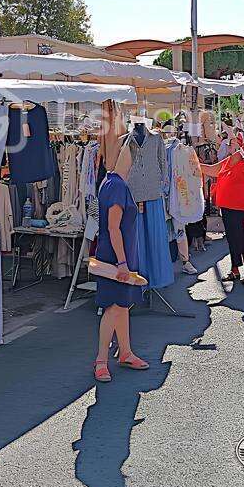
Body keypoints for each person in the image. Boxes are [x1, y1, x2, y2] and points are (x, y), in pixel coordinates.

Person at [93, 142, 148, 383]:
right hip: (117, 257)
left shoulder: (111, 181)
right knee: (114, 307)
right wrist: (123, 262)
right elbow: (113, 228)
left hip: (119, 255)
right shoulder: (116, 185)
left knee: (122, 306)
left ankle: (125, 352)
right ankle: (101, 361)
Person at [200, 132, 244, 285]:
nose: (229, 146)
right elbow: (211, 170)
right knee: (233, 240)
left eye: (232, 144)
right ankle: (235, 269)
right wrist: (194, 162)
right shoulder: (228, 162)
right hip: (227, 208)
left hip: (243, 208)